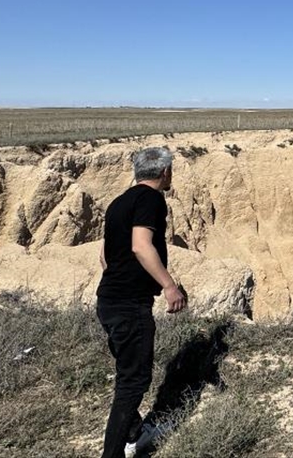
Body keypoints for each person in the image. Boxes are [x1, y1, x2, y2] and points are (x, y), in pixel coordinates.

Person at [96, 147, 187, 458]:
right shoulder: (151, 199)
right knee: (134, 382)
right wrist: (169, 286)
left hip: (108, 300)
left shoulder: (118, 202)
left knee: (127, 371)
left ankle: (135, 432)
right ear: (164, 173)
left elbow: (105, 257)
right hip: (129, 304)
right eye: (170, 171)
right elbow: (140, 245)